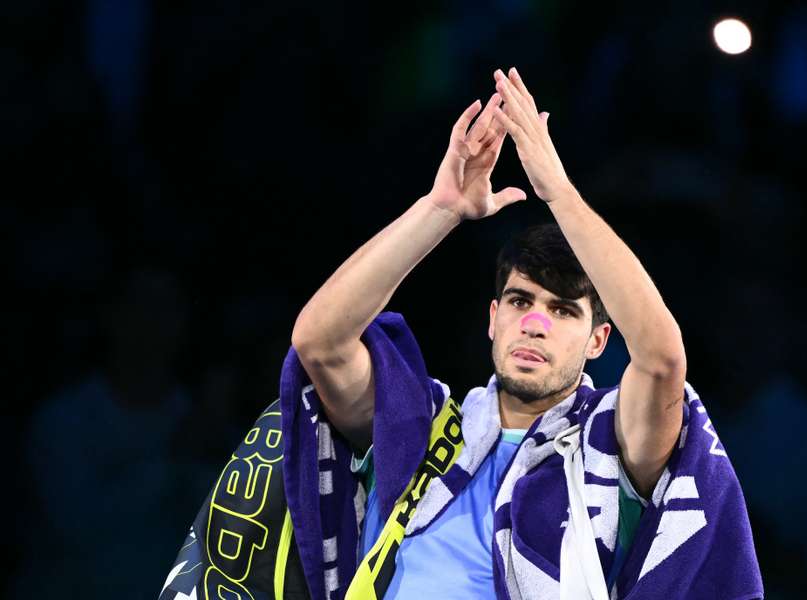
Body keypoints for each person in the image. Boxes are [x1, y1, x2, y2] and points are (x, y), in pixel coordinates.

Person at [160, 68, 761, 600]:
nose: (534, 322)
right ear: (492, 318)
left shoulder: (612, 446)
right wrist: (441, 207)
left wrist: (559, 192)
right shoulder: (420, 425)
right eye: (521, 301)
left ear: (600, 341)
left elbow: (660, 361)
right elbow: (319, 341)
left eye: (563, 311)